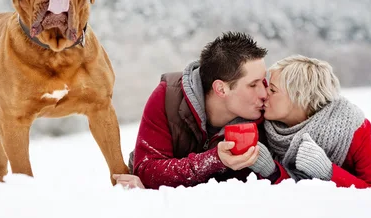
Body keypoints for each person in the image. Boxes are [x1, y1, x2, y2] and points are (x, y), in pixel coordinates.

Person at [114, 31, 283, 189]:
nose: (264, 93)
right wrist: (214, 160)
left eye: (263, 81)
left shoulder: (271, 108)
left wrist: (271, 170)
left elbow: (295, 182)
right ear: (221, 89)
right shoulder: (168, 97)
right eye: (253, 85)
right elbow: (147, 171)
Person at [260, 55, 371, 188]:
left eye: (273, 90)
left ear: (300, 97)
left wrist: (329, 172)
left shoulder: (354, 128)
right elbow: (297, 185)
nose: (264, 94)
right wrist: (272, 171)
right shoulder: (263, 124)